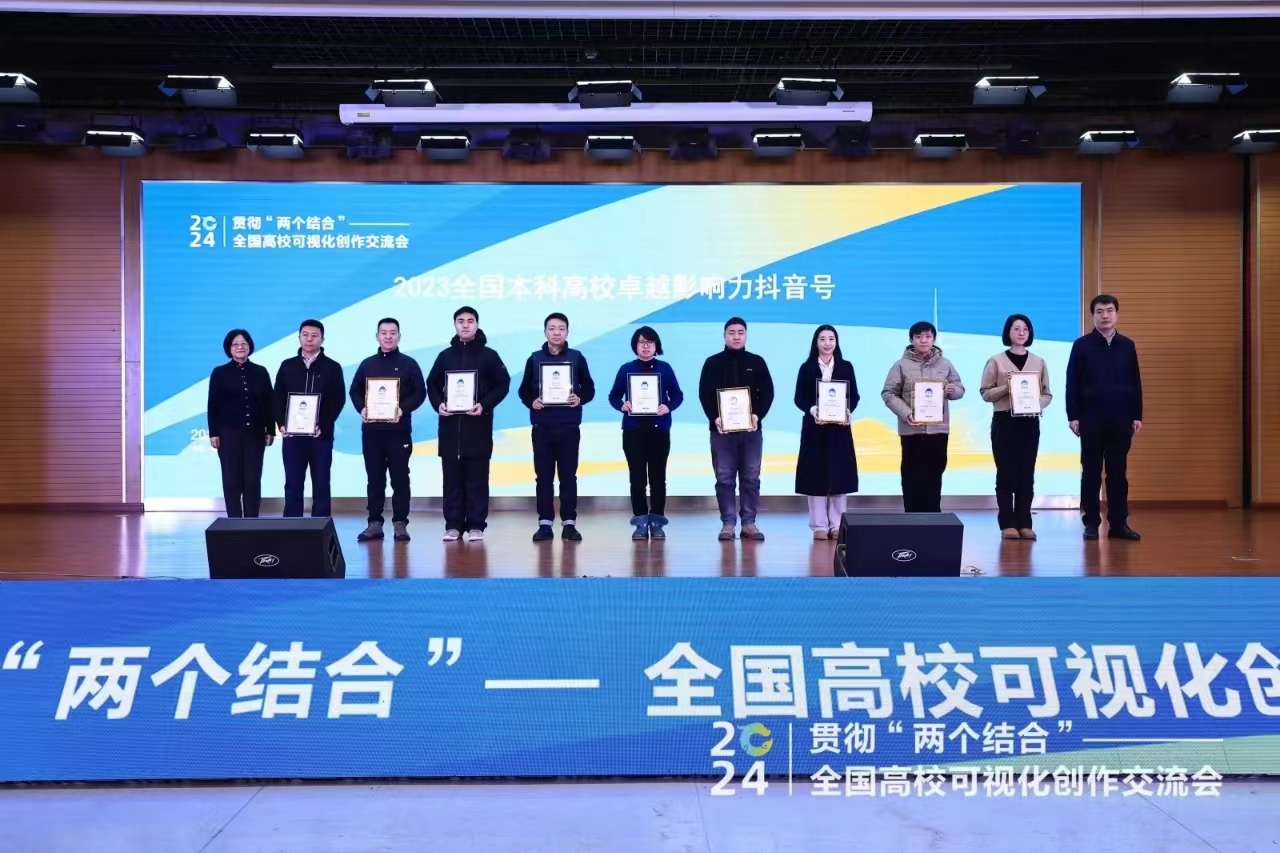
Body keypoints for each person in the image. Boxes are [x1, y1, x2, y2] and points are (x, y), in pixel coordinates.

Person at [427, 306, 511, 543]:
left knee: (477, 480)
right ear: (455, 325)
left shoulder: (489, 356)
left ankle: (476, 525)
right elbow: (432, 384)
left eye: (470, 321)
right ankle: (453, 525)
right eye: (461, 321)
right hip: (450, 429)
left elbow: (502, 385)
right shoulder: (445, 356)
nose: (465, 325)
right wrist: (438, 404)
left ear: (477, 324)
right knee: (451, 480)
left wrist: (484, 405)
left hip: (478, 427)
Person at [1066, 294, 1143, 541]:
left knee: (1118, 474)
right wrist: (1073, 415)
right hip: (1090, 418)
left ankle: (1119, 524)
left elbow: (1135, 382)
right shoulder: (1082, 345)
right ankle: (1091, 523)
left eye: (1109, 311)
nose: (1105, 315)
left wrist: (1137, 414)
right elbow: (1072, 382)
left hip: (1121, 419)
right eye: (1099, 311)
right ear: (1093, 316)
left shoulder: (1127, 345)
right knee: (1090, 472)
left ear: (1117, 314)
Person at [518, 312, 596, 542]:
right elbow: (523, 391)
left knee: (568, 477)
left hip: (569, 426)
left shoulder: (576, 357)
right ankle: (545, 524)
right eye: (552, 328)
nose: (556, 332)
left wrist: (579, 398)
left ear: (567, 332)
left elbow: (590, 389)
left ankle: (569, 523)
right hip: (542, 426)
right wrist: (531, 401)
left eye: (561, 328)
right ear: (545, 332)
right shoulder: (534, 359)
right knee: (543, 477)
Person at [349, 317, 426, 542]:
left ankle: (400, 523)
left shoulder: (409, 364)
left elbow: (420, 392)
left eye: (393, 333)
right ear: (377, 336)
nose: (388, 336)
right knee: (374, 478)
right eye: (384, 333)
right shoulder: (367, 364)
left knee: (400, 478)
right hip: (372, 432)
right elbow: (354, 391)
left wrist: (403, 409)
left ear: (399, 337)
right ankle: (374, 523)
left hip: (399, 432)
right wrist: (362, 408)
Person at [698, 317, 775, 541]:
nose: (736, 336)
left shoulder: (757, 362)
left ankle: (749, 522)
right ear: (724, 335)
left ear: (746, 335)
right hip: (721, 432)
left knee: (751, 477)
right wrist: (714, 418)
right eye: (731, 332)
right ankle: (728, 524)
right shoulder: (712, 363)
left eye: (741, 332)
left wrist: (757, 415)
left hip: (751, 432)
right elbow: (704, 394)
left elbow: (768, 393)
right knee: (724, 478)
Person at [979, 314, 1053, 540]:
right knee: (1005, 473)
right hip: (1004, 421)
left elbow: (1047, 394)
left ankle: (1025, 522)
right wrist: (1007, 387)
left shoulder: (1039, 362)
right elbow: (985, 393)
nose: (1021, 333)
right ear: (1008, 332)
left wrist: (1036, 403)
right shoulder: (996, 361)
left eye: (1025, 329)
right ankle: (1007, 523)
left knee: (1026, 473)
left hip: (1029, 421)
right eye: (1016, 328)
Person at [607, 326, 684, 540]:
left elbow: (678, 395)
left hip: (659, 431)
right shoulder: (626, 369)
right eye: (642, 342)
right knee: (637, 478)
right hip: (633, 431)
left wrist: (668, 406)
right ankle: (640, 522)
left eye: (650, 342)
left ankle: (657, 522)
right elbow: (613, 396)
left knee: (658, 478)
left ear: (656, 345)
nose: (646, 346)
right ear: (635, 345)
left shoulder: (665, 369)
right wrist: (622, 405)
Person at [881, 321, 965, 513]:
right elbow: (888, 393)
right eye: (918, 337)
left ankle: (933, 518)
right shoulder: (900, 365)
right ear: (911, 340)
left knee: (935, 474)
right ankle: (912, 518)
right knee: (912, 476)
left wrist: (952, 390)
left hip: (938, 430)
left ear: (934, 339)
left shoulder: (945, 364)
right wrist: (906, 413)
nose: (923, 340)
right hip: (912, 430)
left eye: (928, 336)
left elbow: (960, 389)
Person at [272, 319, 346, 519]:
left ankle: (320, 526)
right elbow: (277, 397)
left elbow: (338, 400)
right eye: (305, 335)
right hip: (292, 437)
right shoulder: (287, 366)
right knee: (293, 483)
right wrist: (281, 424)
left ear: (322, 339)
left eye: (314, 335)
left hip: (321, 436)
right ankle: (291, 526)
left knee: (321, 483)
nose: (309, 339)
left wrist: (323, 425)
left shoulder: (332, 367)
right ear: (299, 337)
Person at [794, 325, 860, 540]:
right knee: (815, 475)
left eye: (831, 339)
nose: (827, 343)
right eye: (822, 339)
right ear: (816, 342)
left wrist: (847, 410)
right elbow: (799, 398)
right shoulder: (806, 368)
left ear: (836, 342)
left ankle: (837, 524)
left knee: (839, 475)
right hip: (814, 429)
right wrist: (813, 409)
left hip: (839, 430)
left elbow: (854, 396)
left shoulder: (846, 367)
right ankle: (819, 526)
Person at [207, 329, 274, 518]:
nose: (240, 347)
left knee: (252, 479)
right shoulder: (219, 373)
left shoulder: (261, 372)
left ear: (250, 346)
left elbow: (269, 402)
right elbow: (213, 404)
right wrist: (214, 432)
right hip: (228, 435)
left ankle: (252, 521)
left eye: (244, 343)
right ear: (229, 348)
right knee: (231, 479)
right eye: (235, 344)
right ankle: (234, 521)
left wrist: (270, 429)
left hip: (255, 434)